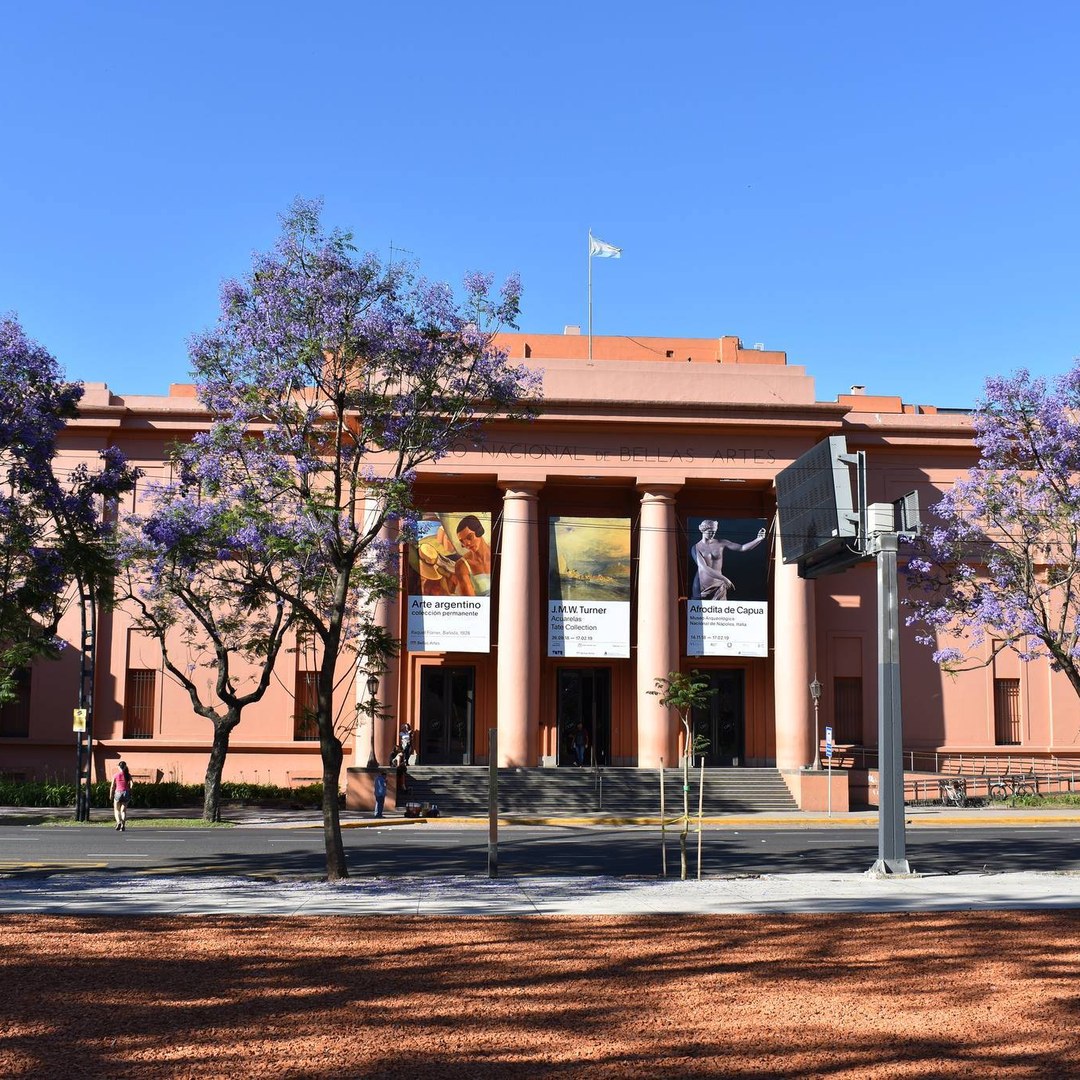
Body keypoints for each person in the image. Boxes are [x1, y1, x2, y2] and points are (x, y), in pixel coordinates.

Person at [690, 522, 767, 601]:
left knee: (722, 611)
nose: (713, 534)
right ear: (703, 530)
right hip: (702, 586)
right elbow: (704, 568)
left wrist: (758, 539)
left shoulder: (721, 543)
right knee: (699, 611)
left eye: (714, 531)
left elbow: (742, 547)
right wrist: (724, 579)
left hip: (718, 585)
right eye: (710, 532)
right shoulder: (696, 548)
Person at [109, 760, 133, 831]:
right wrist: (130, 791)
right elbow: (132, 784)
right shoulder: (128, 775)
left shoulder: (115, 775)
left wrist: (111, 795)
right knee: (123, 811)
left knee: (116, 810)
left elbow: (112, 786)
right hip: (126, 793)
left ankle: (118, 822)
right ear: (125, 767)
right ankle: (123, 825)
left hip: (118, 793)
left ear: (119, 767)